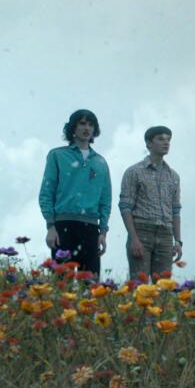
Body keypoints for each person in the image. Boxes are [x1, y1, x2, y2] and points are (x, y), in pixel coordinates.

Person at [38, 109, 112, 276]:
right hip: (63, 225)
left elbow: (105, 200)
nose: (87, 128)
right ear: (73, 127)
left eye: (91, 125)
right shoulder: (57, 155)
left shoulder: (100, 162)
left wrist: (103, 232)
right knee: (62, 282)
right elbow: (47, 192)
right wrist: (50, 226)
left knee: (90, 283)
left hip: (91, 228)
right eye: (82, 123)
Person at [118, 125, 181, 281]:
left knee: (164, 286)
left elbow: (175, 210)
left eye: (168, 140)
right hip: (142, 230)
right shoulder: (134, 172)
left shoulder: (173, 176)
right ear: (149, 143)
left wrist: (178, 241)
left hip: (165, 233)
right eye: (160, 139)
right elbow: (125, 207)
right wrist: (134, 238)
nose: (166, 143)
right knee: (139, 283)